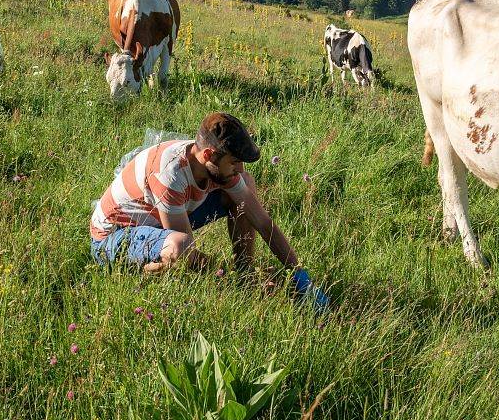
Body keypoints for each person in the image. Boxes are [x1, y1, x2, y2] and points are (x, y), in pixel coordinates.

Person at [90, 112, 328, 308]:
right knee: (180, 248)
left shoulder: (216, 166)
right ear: (208, 155)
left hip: (155, 221)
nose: (239, 167)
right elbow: (189, 253)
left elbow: (264, 224)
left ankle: (244, 270)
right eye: (234, 161)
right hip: (114, 236)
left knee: (246, 187)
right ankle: (143, 270)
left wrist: (299, 275)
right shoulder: (170, 175)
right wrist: (228, 275)